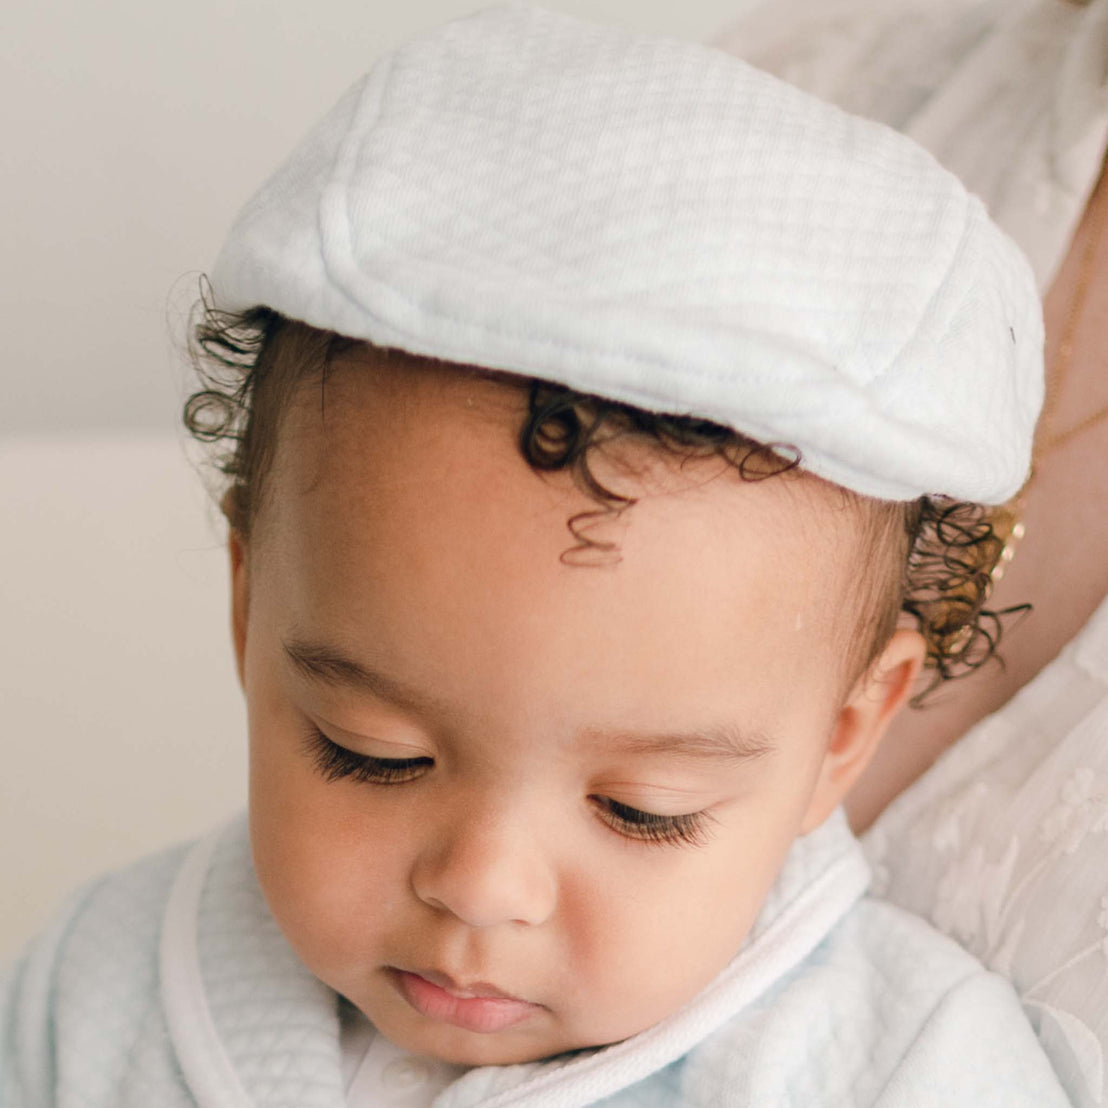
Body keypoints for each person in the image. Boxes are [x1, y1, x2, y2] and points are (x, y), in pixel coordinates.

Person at [0, 6, 1073, 1106]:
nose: (479, 887)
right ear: (246, 607)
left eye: (641, 808)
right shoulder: (99, 985)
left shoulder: (906, 1069)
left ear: (843, 734)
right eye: (372, 753)